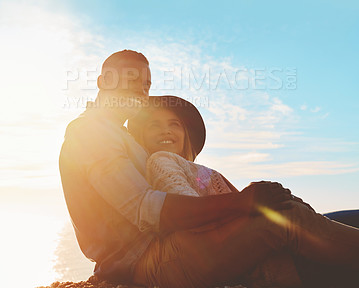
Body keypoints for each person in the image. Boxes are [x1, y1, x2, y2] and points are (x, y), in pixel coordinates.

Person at [59, 50, 359, 288]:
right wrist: (241, 202)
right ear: (103, 82)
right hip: (151, 260)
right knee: (283, 220)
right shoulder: (90, 132)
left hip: (162, 251)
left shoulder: (120, 136)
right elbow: (145, 208)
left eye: (146, 85)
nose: (140, 90)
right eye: (130, 80)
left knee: (289, 213)